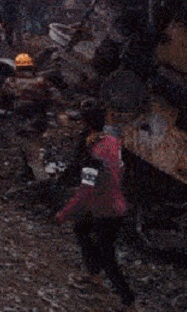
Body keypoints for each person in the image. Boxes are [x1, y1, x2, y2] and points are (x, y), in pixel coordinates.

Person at [56, 103, 135, 308]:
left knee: (107, 255)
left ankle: (128, 300)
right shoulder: (112, 143)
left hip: (104, 209)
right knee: (82, 229)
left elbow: (84, 193)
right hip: (114, 203)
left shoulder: (92, 158)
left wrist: (63, 214)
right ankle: (93, 275)